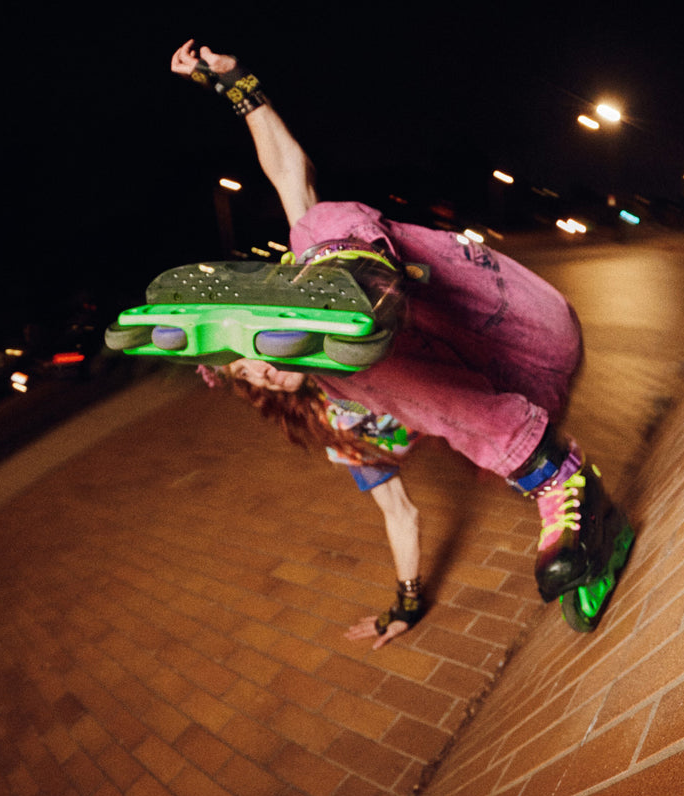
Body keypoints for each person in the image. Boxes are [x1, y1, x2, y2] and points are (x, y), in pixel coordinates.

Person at [169, 39, 623, 648]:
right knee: (349, 368)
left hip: (514, 321)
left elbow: (289, 174)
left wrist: (238, 87)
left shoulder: (313, 256)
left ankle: (360, 278)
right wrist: (406, 606)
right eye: (249, 378)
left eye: (255, 358)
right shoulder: (342, 429)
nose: (264, 373)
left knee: (314, 226)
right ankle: (562, 485)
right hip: (523, 403)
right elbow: (398, 513)